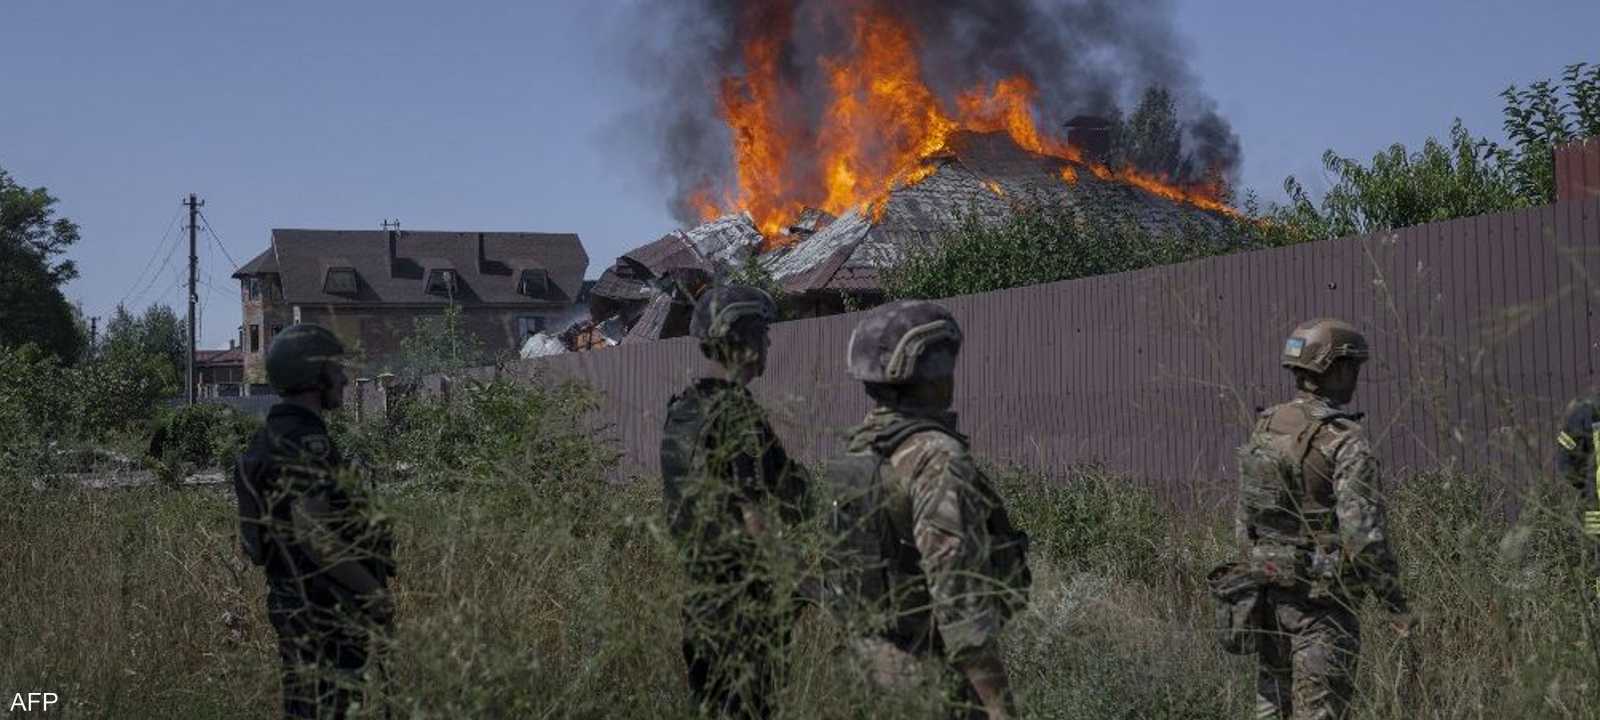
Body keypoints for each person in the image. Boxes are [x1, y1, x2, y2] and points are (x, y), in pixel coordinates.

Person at [824, 300, 1029, 720]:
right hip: (929, 679)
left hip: (865, 669)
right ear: (931, 369)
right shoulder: (935, 457)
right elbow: (957, 594)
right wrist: (998, 706)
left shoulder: (861, 449)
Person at [1235, 318, 1411, 720]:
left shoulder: (1267, 424)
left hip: (1267, 596)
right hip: (1322, 608)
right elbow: (1363, 536)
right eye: (1352, 367)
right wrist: (1394, 603)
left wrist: (1255, 574)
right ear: (1334, 368)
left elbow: (1245, 516)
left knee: (1270, 708)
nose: (1355, 377)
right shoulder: (1345, 438)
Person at [659, 285, 810, 719]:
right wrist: (801, 579)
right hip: (744, 607)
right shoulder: (735, 413)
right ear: (741, 337)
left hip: (703, 602)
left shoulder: (684, 410)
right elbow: (753, 513)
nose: (768, 342)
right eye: (762, 331)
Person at [233, 324, 396, 719]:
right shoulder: (305, 441)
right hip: (325, 608)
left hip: (297, 603)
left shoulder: (270, 437)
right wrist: (373, 592)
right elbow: (316, 535)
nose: (342, 378)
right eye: (334, 368)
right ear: (313, 375)